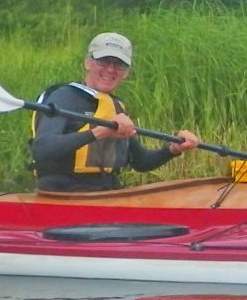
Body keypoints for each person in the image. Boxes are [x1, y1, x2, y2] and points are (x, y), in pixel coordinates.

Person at [30, 32, 200, 192]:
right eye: (103, 61)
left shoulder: (116, 107)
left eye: (119, 64)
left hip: (105, 192)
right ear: (87, 63)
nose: (111, 69)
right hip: (61, 192)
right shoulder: (64, 97)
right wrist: (99, 132)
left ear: (126, 73)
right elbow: (42, 149)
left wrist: (173, 149)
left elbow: (141, 162)